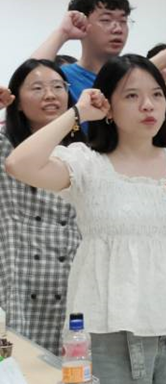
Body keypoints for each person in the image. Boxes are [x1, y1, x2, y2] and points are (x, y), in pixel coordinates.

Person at [5, 55, 166, 383]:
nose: (148, 105)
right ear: (108, 107)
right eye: (131, 95)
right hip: (104, 334)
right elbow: (18, 164)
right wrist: (77, 113)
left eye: (156, 94)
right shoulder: (87, 163)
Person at [0, 60, 84, 354]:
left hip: (71, 283)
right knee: (15, 365)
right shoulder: (4, 146)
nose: (50, 95)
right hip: (17, 282)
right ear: (18, 102)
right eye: (37, 88)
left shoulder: (85, 151)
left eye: (58, 87)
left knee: (72, 366)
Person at [31, 0, 133, 101]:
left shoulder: (134, 77)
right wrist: (63, 32)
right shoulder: (63, 78)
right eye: (106, 20)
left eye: (123, 21)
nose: (118, 29)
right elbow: (27, 79)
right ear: (82, 24)